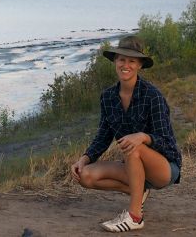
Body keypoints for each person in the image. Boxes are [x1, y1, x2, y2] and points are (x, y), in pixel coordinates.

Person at [69, 35, 182, 232]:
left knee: (133, 145)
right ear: (115, 61)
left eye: (131, 61)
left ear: (139, 65)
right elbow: (103, 136)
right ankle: (140, 193)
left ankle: (135, 217)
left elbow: (167, 143)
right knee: (85, 176)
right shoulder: (108, 97)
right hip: (133, 167)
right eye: (121, 59)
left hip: (163, 168)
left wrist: (144, 137)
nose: (125, 65)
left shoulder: (152, 96)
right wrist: (84, 159)